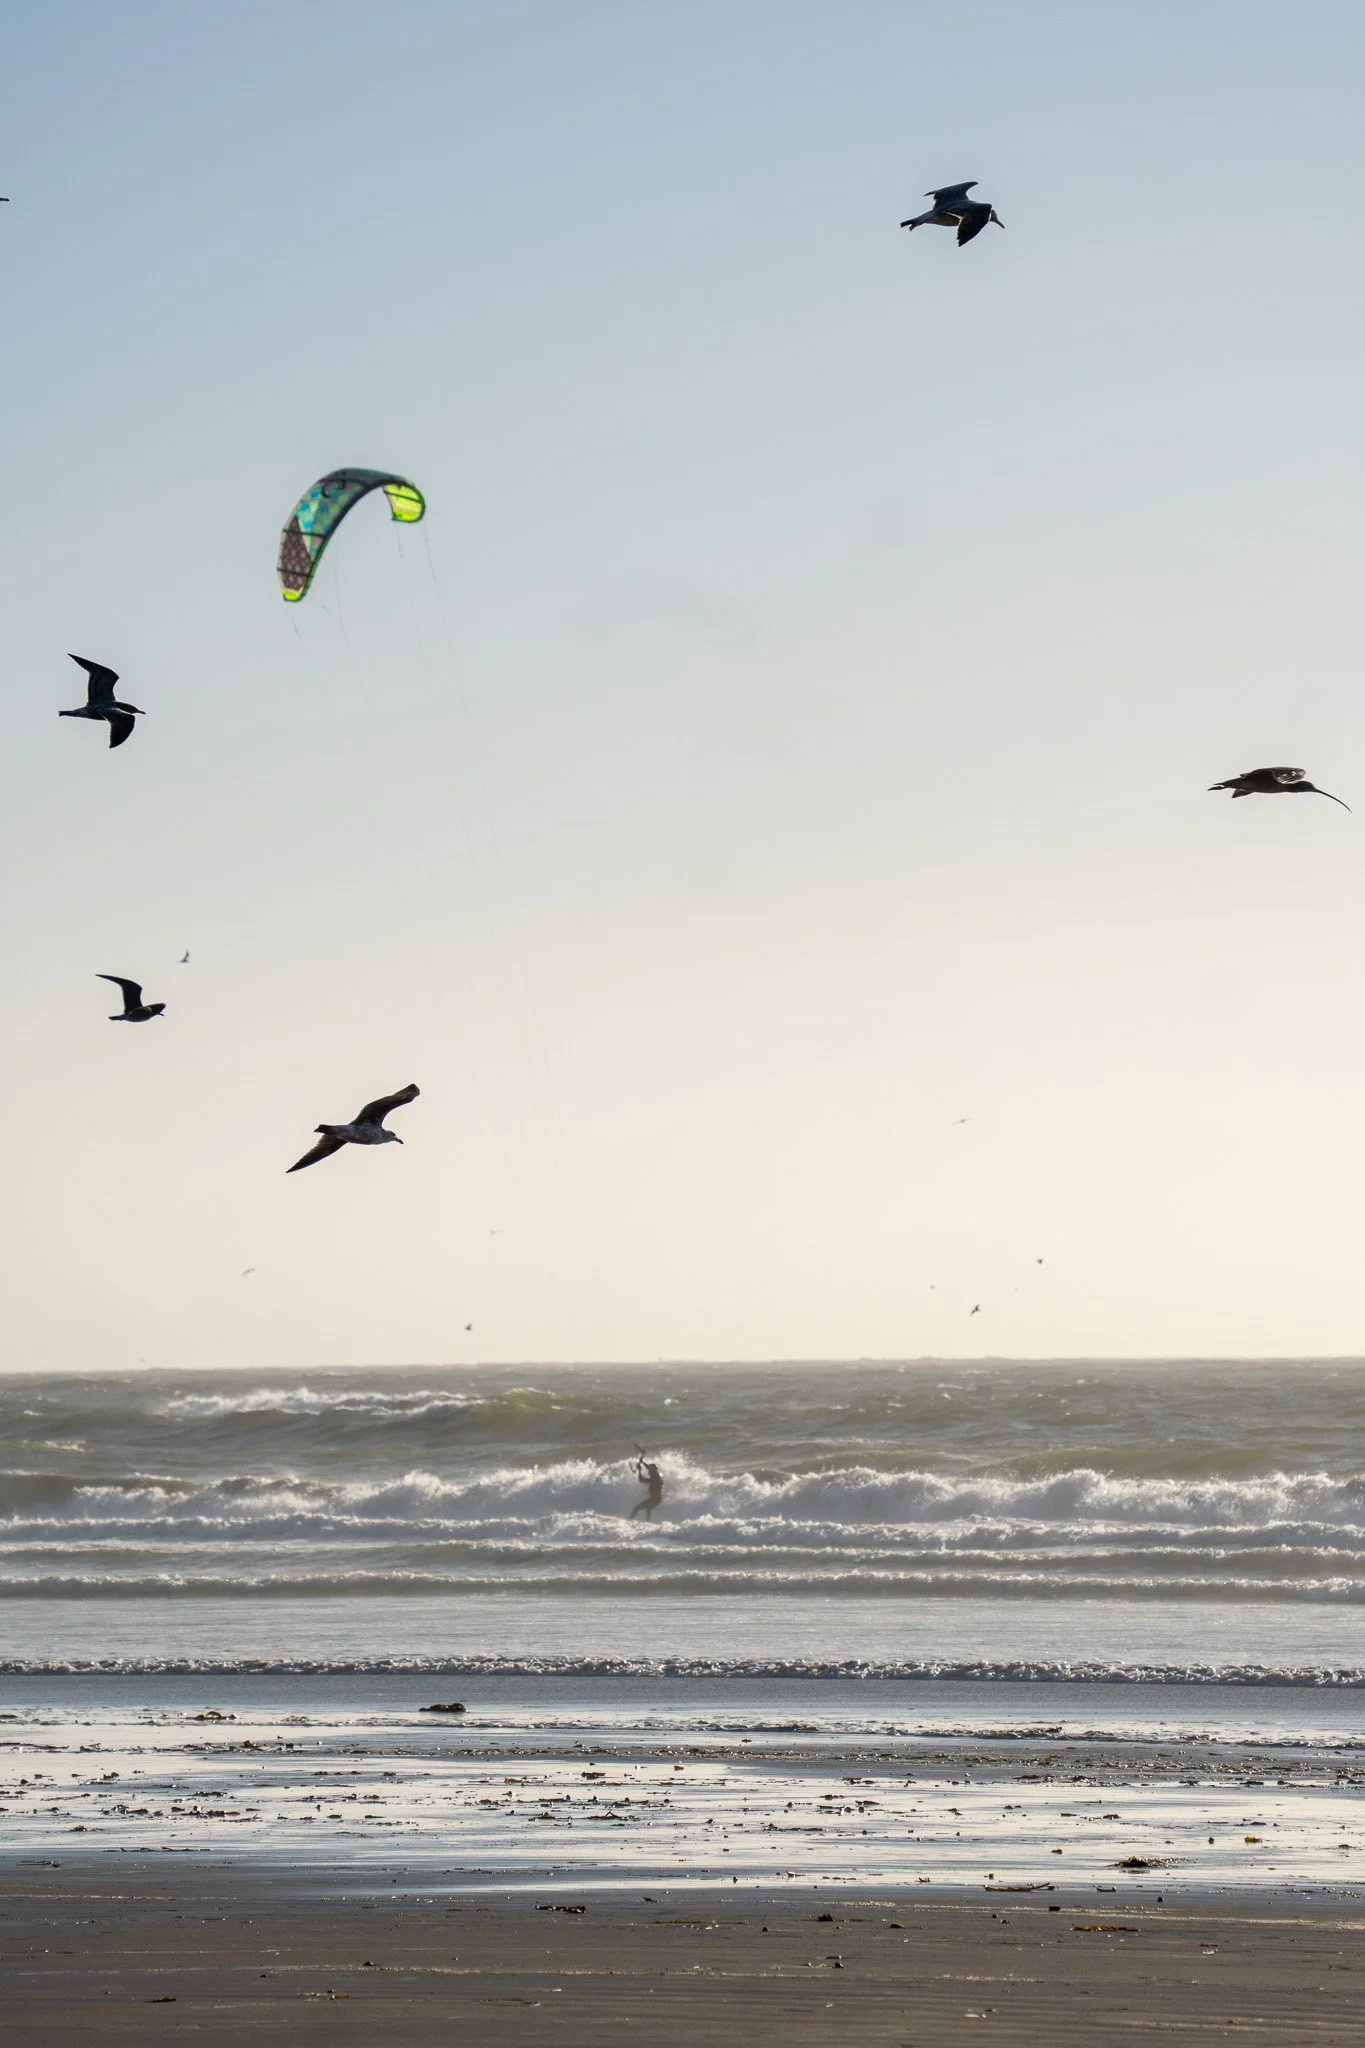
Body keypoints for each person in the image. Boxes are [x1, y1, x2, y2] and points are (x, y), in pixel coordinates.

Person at [629, 1452, 664, 1520]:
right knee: (648, 1509)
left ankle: (629, 1520)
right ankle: (647, 1523)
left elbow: (641, 1480)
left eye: (649, 1470)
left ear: (652, 1470)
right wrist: (642, 1462)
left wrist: (639, 1471)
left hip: (655, 1499)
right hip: (657, 1498)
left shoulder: (654, 1478)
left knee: (637, 1508)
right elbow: (649, 1467)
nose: (648, 1471)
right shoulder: (656, 1474)